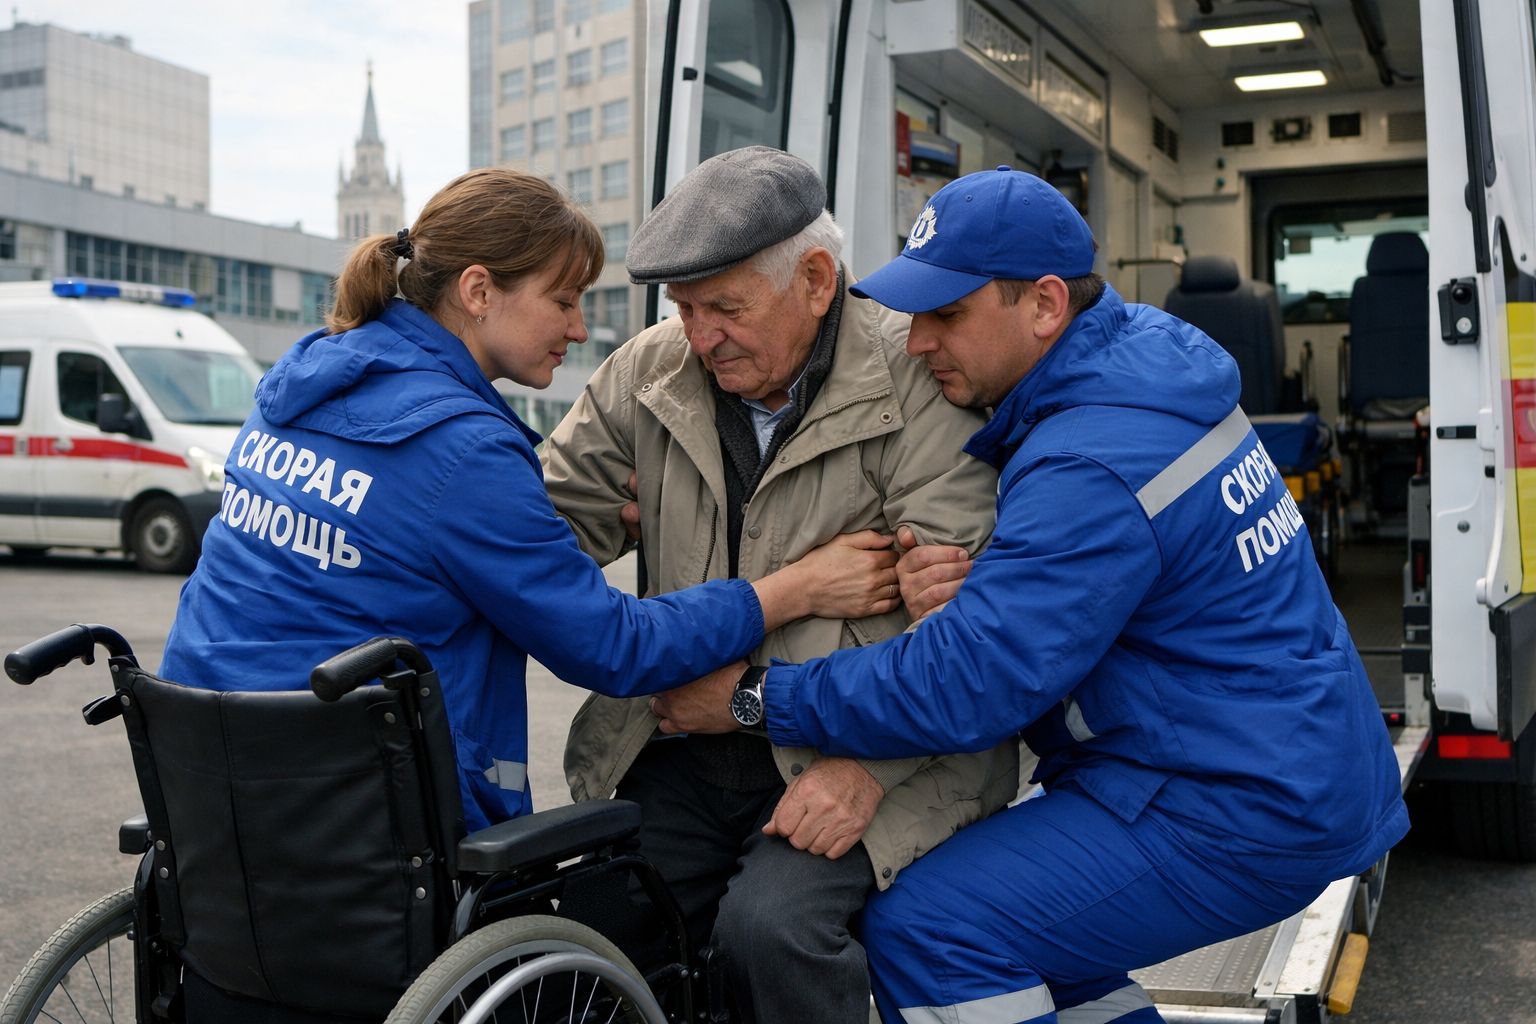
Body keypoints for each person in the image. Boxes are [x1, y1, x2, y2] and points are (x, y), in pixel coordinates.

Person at [652, 166, 1410, 1024]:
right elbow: (1125, 576)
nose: (916, 342)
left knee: (936, 930)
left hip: (1233, 802)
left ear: (1045, 305)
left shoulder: (1090, 457)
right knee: (1046, 942)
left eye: (947, 315)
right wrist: (999, 583)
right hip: (1262, 758)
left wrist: (754, 698)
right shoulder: (1139, 366)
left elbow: (967, 681)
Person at [158, 167, 901, 833]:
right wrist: (793, 590)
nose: (578, 329)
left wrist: (586, 528)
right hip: (360, 803)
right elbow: (612, 647)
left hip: (203, 765)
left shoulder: (303, 383)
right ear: (479, 292)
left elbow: (422, 545)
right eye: (563, 300)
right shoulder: (461, 450)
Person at [540, 147, 1019, 1024]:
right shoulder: (650, 372)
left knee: (771, 931)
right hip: (681, 738)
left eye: (726, 308)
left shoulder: (918, 378)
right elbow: (539, 534)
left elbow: (962, 639)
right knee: (594, 930)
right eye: (685, 309)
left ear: (817, 280)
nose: (701, 337)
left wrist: (865, 773)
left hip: (877, 750)